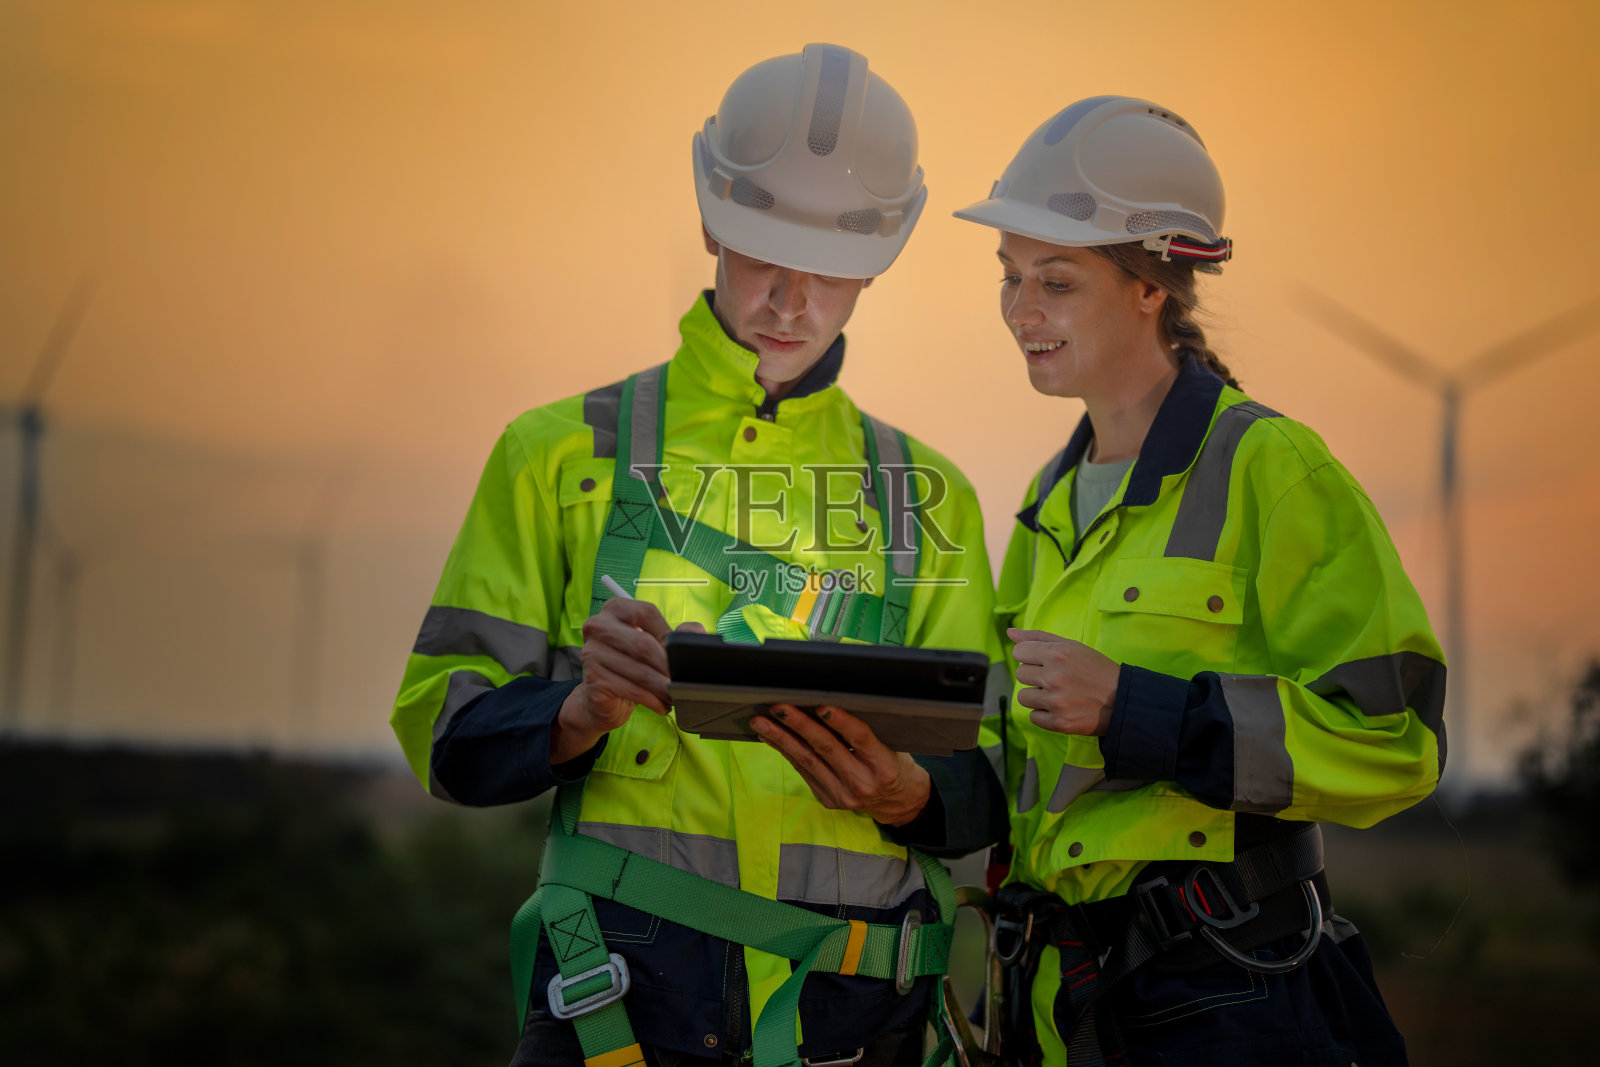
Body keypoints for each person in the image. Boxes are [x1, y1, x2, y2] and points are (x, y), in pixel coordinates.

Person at [390, 44, 1005, 1067]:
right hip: (620, 1003)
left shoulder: (925, 495)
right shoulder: (558, 454)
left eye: (829, 272)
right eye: (765, 253)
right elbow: (444, 729)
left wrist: (908, 793)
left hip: (852, 1016)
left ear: (879, 261)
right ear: (712, 218)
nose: (789, 301)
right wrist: (577, 711)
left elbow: (994, 775)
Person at [952, 96, 1445, 1065]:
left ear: (1151, 284)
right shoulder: (1045, 507)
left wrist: (1140, 710)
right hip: (1067, 1003)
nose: (1020, 312)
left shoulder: (1273, 470)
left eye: (1054, 282)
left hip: (1228, 994)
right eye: (1008, 278)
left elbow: (1399, 742)